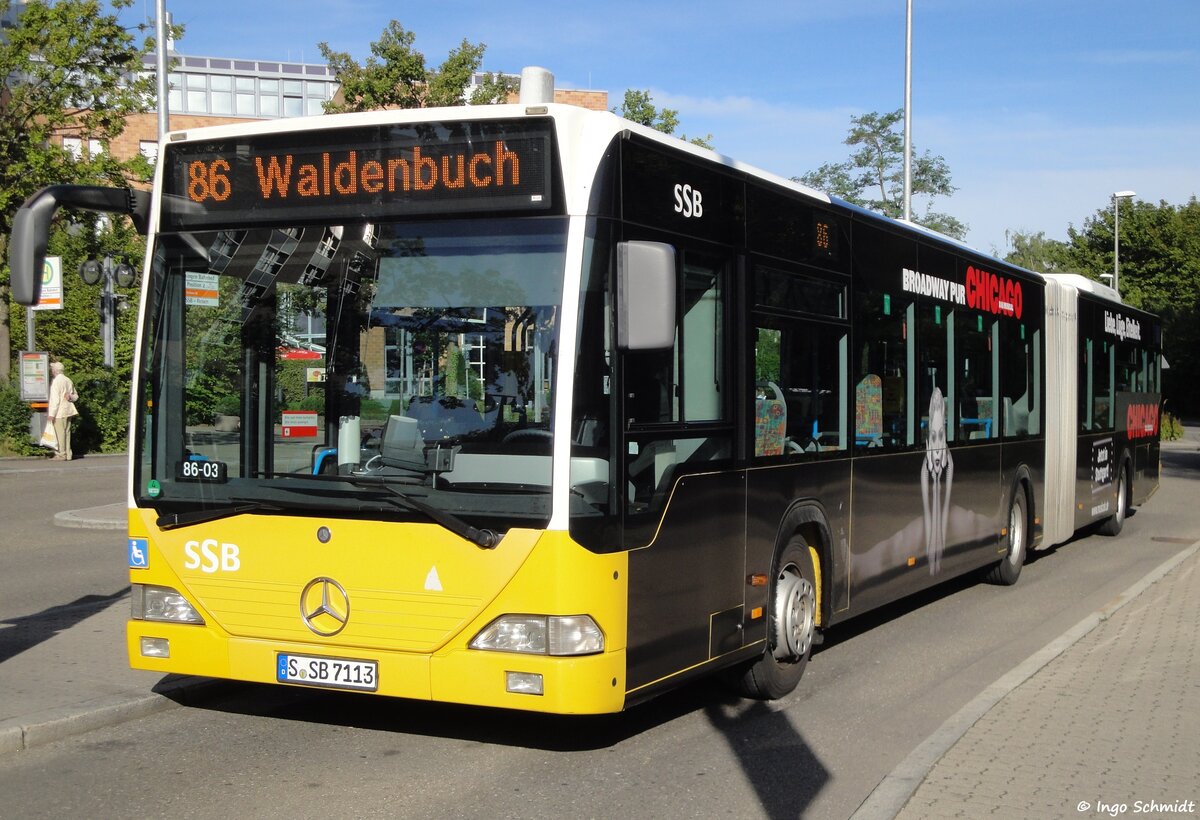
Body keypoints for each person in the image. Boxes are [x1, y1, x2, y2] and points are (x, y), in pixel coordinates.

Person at [47, 361, 79, 461]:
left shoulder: (56, 382)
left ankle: (61, 454)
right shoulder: (68, 380)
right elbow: (75, 396)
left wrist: (51, 414)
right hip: (68, 410)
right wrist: (70, 397)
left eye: (52, 369)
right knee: (67, 433)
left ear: (55, 370)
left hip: (59, 412)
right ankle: (68, 454)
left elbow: (55, 400)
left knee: (59, 434)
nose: (52, 371)